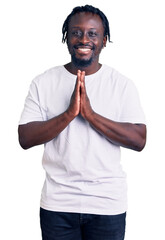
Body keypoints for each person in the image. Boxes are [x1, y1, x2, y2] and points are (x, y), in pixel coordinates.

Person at [18, 5, 146, 240]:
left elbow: (139, 140)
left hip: (107, 204)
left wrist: (91, 115)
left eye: (92, 33)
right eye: (76, 32)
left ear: (104, 41)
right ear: (66, 37)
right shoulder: (43, 82)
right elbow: (25, 138)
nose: (84, 39)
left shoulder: (121, 84)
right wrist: (69, 114)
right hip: (58, 204)